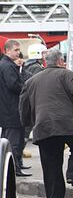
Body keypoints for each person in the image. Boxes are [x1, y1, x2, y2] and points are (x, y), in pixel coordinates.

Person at [19, 50, 73, 198]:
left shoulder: (31, 81)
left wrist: (27, 123)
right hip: (69, 125)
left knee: (50, 164)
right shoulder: (68, 75)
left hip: (44, 127)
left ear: (45, 62)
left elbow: (24, 105)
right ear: (60, 61)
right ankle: (72, 171)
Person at [0, 40, 31, 176]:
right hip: (11, 110)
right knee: (13, 141)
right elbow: (14, 85)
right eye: (16, 50)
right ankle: (14, 169)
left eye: (19, 50)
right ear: (7, 51)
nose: (19, 53)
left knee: (9, 140)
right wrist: (26, 87)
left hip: (8, 109)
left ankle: (14, 167)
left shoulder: (7, 65)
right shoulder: (7, 66)